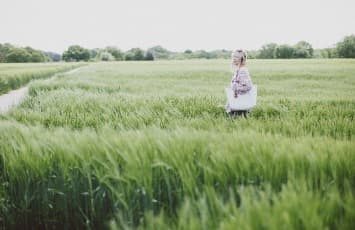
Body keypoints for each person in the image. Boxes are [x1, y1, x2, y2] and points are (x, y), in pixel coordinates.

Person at [225, 49, 253, 117]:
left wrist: (235, 88)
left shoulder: (242, 70)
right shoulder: (239, 69)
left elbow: (248, 86)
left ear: (242, 59)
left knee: (237, 119)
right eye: (233, 57)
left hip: (240, 101)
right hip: (238, 101)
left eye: (237, 57)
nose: (234, 59)